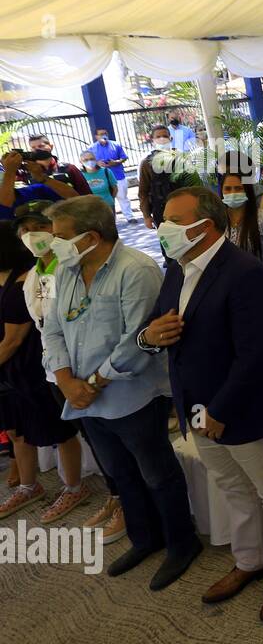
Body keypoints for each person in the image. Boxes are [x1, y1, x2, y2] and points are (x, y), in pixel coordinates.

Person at [136, 187, 263, 620]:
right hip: (193, 405)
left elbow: (255, 353)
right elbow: (154, 325)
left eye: (172, 220)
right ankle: (250, 560)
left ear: (204, 226)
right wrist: (148, 338)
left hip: (240, 409)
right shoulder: (177, 267)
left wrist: (221, 411)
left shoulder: (245, 273)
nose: (162, 228)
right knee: (232, 487)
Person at [41, 196, 201, 588]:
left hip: (132, 396)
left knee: (157, 473)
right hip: (84, 398)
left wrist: (91, 385)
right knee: (120, 473)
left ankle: (182, 544)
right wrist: (65, 381)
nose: (52, 245)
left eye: (60, 237)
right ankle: (145, 539)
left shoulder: (136, 270)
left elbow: (137, 343)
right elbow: (52, 330)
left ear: (90, 237)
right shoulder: (67, 270)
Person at [0, 220, 86, 523]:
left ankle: (74, 487)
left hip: (38, 368)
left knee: (60, 431)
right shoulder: (30, 275)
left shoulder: (31, 278)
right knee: (17, 431)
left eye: (36, 229)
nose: (30, 237)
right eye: (23, 231)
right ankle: (28, 485)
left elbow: (22, 335)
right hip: (15, 374)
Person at [218, 171, 263, 295]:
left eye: (238, 188)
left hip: (261, 292)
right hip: (226, 294)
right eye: (227, 189)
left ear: (247, 190)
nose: (233, 193)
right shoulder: (218, 222)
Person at [0, 150, 80, 219]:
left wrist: (41, 177)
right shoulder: (6, 200)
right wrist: (10, 172)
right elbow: (5, 206)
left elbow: (75, 198)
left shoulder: (34, 191)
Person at [23, 135, 92, 196]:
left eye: (41, 146)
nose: (37, 150)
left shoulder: (69, 168)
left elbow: (86, 193)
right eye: (33, 147)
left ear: (51, 146)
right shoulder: (28, 172)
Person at [90, 127, 133, 222]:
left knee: (123, 197)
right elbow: (88, 161)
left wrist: (116, 162)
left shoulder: (116, 145)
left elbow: (124, 157)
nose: (103, 136)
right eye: (101, 134)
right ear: (96, 136)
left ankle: (129, 217)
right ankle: (110, 220)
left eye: (105, 133)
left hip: (118, 175)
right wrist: (97, 163)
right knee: (106, 200)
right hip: (102, 178)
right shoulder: (92, 148)